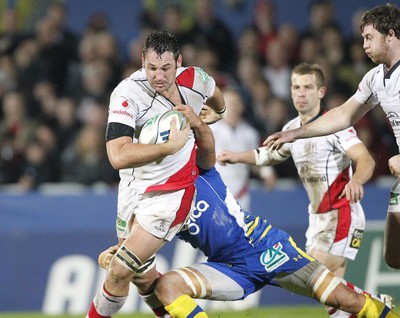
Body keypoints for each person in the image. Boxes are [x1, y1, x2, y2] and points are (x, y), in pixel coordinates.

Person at [98, 106, 398, 318]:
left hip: (265, 246)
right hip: (227, 267)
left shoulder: (198, 172)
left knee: (345, 299)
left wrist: (199, 125)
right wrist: (115, 255)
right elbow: (139, 249)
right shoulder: (157, 205)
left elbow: (208, 148)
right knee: (168, 286)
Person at [218, 62, 378, 318]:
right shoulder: (292, 129)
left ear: (321, 92)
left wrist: (357, 181)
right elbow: (267, 156)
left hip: (340, 215)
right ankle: (379, 309)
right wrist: (237, 156)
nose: (301, 93)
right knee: (332, 299)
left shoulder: (336, 125)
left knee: (305, 277)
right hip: (317, 219)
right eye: (296, 87)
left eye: (308, 87)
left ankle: (378, 304)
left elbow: (366, 159)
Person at [86, 31, 226, 318]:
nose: (158, 76)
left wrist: (217, 113)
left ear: (179, 62)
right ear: (142, 62)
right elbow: (117, 156)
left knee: (119, 270)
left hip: (172, 194)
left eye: (166, 68)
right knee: (143, 277)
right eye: (151, 68)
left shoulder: (195, 79)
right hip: (133, 190)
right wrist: (167, 147)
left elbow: (216, 96)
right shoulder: (127, 93)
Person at [264, 3, 400, 270]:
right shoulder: (375, 78)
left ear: (392, 35)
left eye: (369, 37)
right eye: (362, 38)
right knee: (394, 257)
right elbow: (343, 116)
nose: (363, 45)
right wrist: (296, 133)